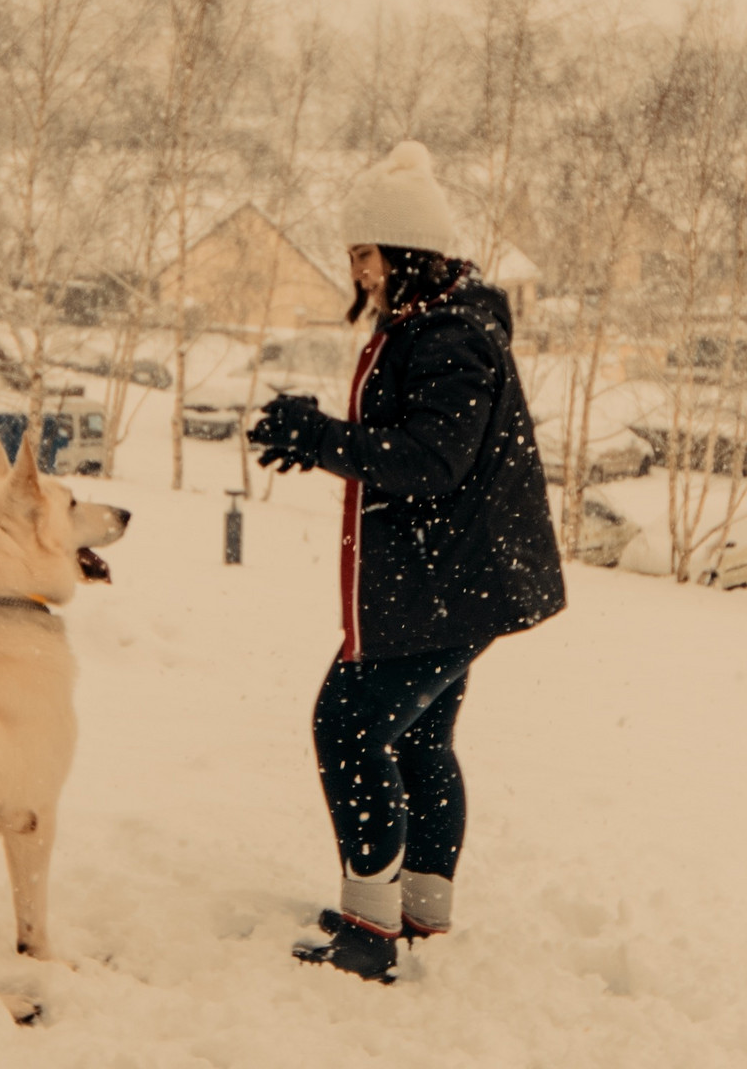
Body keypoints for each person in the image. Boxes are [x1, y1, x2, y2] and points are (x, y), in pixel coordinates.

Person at [247, 140, 566, 982]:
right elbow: (413, 440)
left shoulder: (450, 335)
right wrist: (321, 432)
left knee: (347, 727)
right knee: (420, 738)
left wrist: (320, 439)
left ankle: (369, 933)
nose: (358, 270)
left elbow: (432, 460)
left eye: (366, 252)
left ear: (406, 249)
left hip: (445, 582)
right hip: (454, 577)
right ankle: (416, 909)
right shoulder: (438, 322)